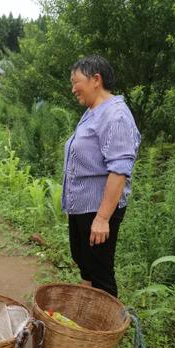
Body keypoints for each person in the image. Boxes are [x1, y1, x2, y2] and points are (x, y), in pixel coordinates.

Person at [63, 55, 141, 298]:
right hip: (82, 206)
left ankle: (106, 329)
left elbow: (119, 170)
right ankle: (87, 316)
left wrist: (102, 218)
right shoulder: (93, 111)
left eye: (76, 81)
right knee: (85, 263)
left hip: (98, 209)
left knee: (100, 272)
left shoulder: (116, 115)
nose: (73, 88)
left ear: (96, 79)